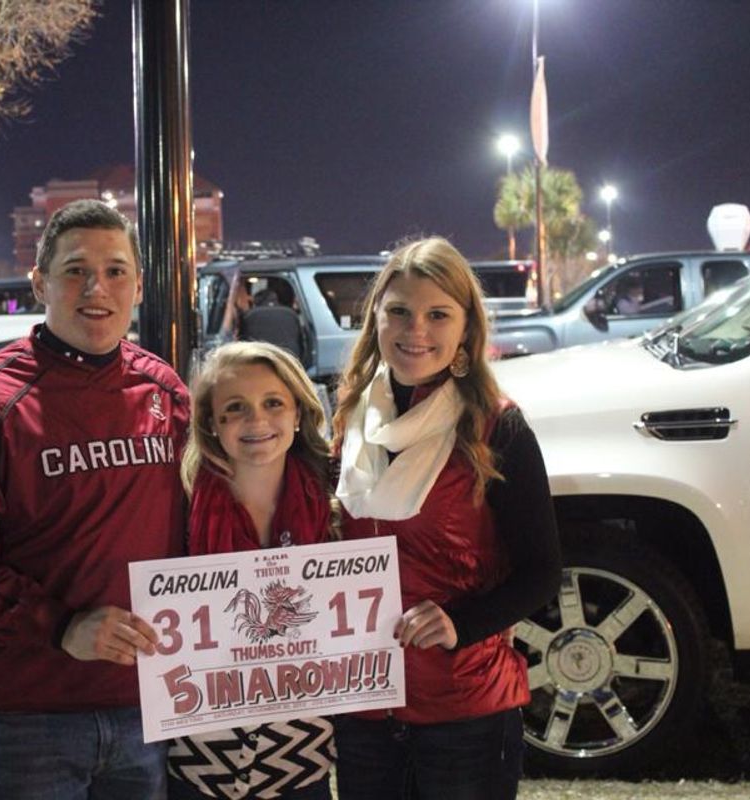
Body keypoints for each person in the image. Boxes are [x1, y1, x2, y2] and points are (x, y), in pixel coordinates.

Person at [0, 199, 190, 800]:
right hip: (23, 721)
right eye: (75, 269)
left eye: (115, 271)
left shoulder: (164, 390)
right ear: (40, 282)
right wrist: (61, 626)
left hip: (146, 708)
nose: (97, 288)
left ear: (138, 285)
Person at [330, 236, 561, 800]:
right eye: (400, 312)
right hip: (364, 707)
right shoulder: (349, 418)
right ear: (375, 320)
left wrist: (462, 623)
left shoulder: (496, 427)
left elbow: (541, 571)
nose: (416, 332)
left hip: (466, 709)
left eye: (438, 315)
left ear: (465, 329)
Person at [168, 341, 336, 800]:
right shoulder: (174, 506)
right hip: (199, 755)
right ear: (211, 424)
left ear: (299, 413)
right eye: (235, 408)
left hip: (301, 752)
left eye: (273, 403)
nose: (257, 421)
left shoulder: (336, 503)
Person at [239, 288, 306, 360]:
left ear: (256, 302)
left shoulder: (250, 315)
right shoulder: (291, 313)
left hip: (260, 359)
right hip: (290, 358)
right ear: (276, 299)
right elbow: (300, 341)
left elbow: (243, 341)